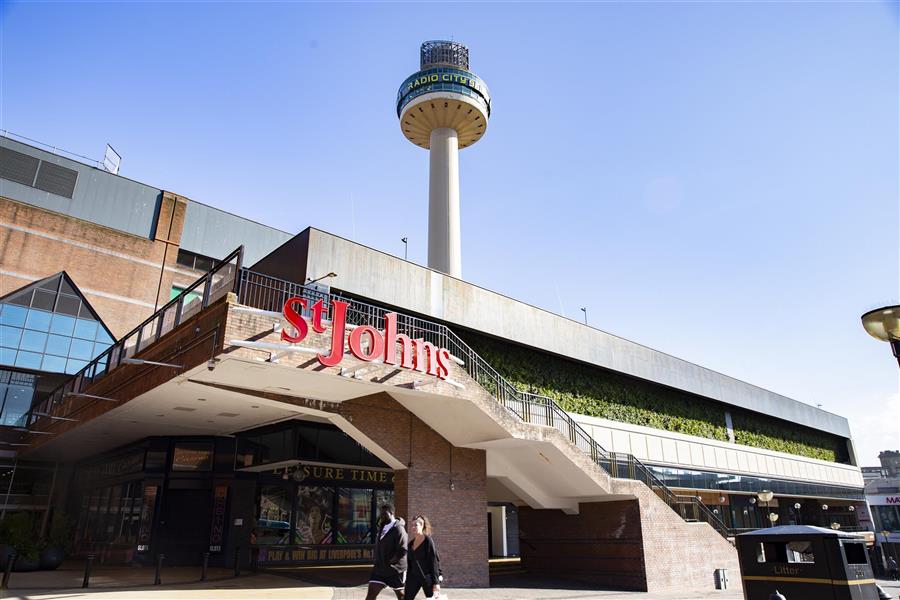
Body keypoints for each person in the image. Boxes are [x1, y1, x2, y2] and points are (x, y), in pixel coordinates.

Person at [366, 504, 408, 599]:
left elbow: (403, 549)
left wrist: (392, 560)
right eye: (381, 514)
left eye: (385, 514)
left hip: (395, 570)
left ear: (392, 513)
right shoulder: (382, 526)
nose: (382, 516)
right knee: (371, 595)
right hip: (380, 569)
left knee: (401, 596)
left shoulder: (399, 528)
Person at [403, 515, 442, 599]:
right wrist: (407, 582)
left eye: (416, 525)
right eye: (412, 525)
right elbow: (410, 565)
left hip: (427, 577)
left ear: (422, 526)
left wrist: (436, 583)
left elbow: (434, 562)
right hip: (413, 577)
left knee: (431, 598)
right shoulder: (410, 544)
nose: (413, 527)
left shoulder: (428, 541)